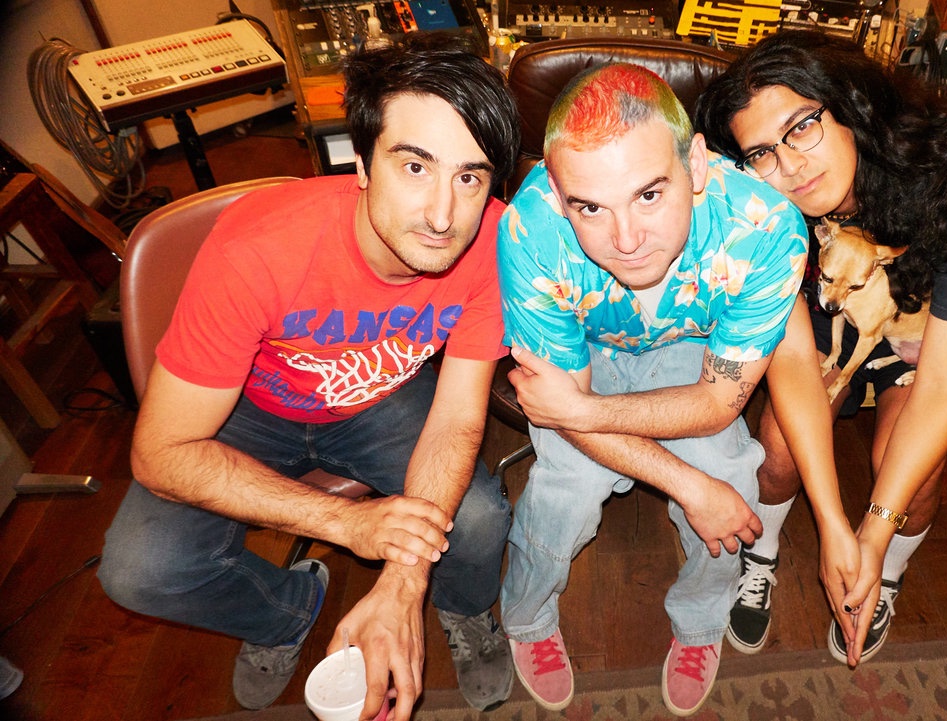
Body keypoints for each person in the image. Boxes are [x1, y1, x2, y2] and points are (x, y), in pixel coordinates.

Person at [97, 39, 520, 721]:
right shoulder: (255, 250)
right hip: (248, 405)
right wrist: (350, 523)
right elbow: (159, 453)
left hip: (380, 397)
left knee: (478, 516)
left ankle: (463, 608)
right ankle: (286, 612)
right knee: (139, 569)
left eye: (470, 178)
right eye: (415, 166)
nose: (444, 216)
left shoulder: (496, 246)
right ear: (362, 164)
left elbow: (457, 417)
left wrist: (405, 580)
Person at [694, 30, 947, 667]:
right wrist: (830, 522)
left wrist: (870, 535)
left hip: (923, 326)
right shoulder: (757, 206)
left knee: (913, 470)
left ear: (851, 107)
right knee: (778, 448)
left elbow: (944, 383)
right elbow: (795, 358)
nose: (790, 166)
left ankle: (887, 573)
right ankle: (761, 556)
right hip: (827, 318)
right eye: (761, 153)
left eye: (802, 127)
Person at [495, 62, 817, 717]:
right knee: (565, 488)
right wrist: (690, 487)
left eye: (649, 194)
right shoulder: (530, 230)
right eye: (589, 207)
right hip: (585, 346)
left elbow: (718, 403)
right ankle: (526, 616)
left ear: (695, 166)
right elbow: (560, 410)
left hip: (690, 345)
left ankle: (701, 623)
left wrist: (582, 411)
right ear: (556, 191)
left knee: (733, 473)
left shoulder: (768, 230)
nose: (626, 240)